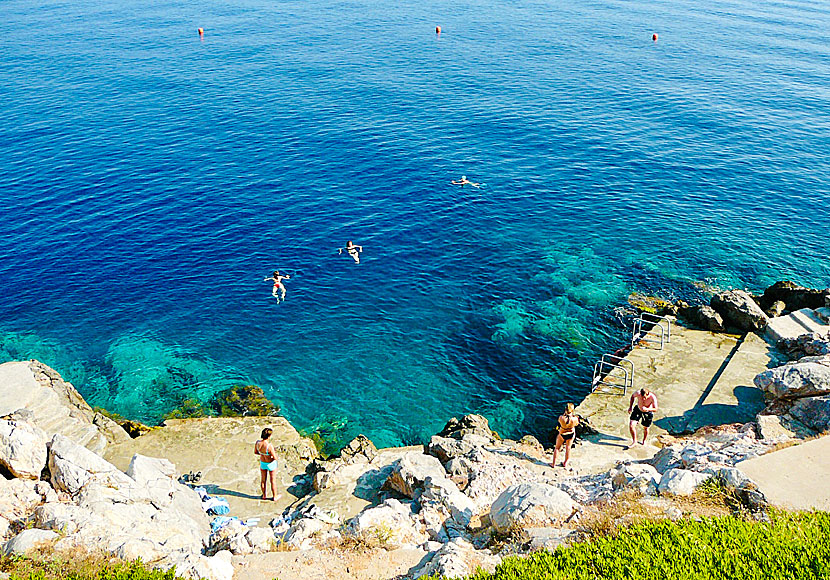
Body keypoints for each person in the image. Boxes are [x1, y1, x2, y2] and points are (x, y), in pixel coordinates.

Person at [254, 427, 280, 500]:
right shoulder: (269, 446)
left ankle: (264, 495)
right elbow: (275, 458)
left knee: (263, 480)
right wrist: (270, 456)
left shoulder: (258, 443)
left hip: (263, 463)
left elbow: (256, 452)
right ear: (269, 436)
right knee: (273, 481)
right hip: (270, 464)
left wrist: (263, 454)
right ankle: (275, 496)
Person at [551, 403, 579, 468]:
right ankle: (565, 463)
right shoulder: (574, 419)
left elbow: (560, 422)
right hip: (571, 434)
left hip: (562, 434)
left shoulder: (561, 417)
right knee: (568, 448)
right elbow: (576, 424)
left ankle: (553, 464)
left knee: (557, 448)